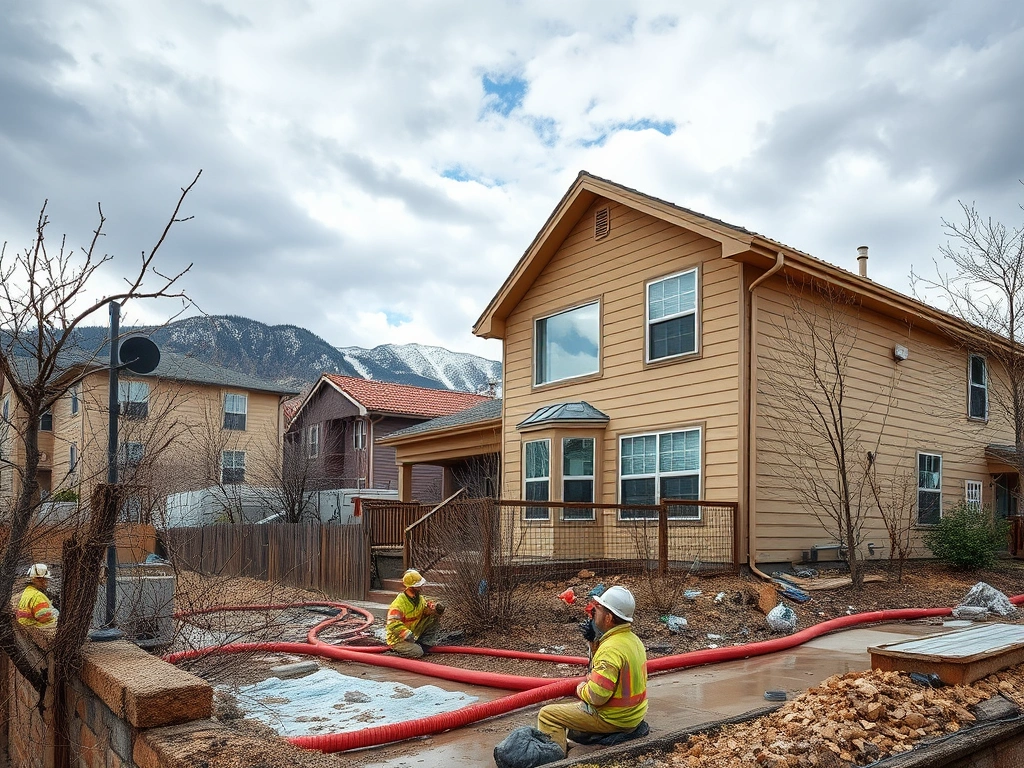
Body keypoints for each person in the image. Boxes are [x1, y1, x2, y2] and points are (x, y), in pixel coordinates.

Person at [537, 585, 648, 756]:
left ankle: (556, 760)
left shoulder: (610, 649)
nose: (594, 613)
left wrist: (580, 689)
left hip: (614, 718)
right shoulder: (633, 640)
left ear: (609, 617)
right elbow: (610, 670)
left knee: (548, 715)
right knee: (575, 726)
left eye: (598, 610)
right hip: (632, 715)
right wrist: (594, 643)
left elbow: (597, 696)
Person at [385, 568, 443, 658]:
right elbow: (392, 624)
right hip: (398, 639)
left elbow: (424, 612)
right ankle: (397, 651)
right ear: (411, 587)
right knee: (417, 652)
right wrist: (406, 634)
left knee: (433, 617)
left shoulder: (419, 599)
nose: (421, 587)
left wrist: (433, 610)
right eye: (418, 585)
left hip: (412, 635)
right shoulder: (399, 604)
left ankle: (424, 644)